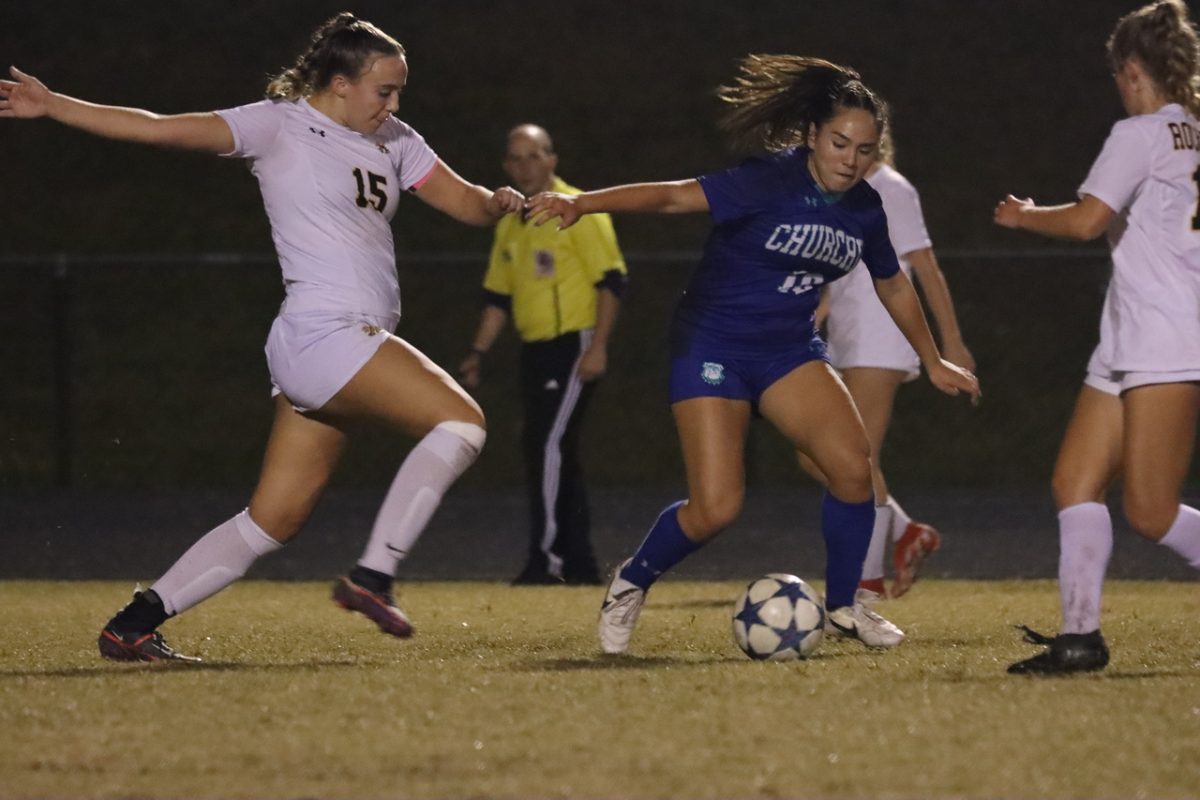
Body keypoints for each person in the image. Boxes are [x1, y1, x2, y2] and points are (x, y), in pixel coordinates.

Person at [0, 13, 524, 662]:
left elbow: (465, 204)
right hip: (326, 334)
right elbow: (159, 128)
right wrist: (54, 106)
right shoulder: (278, 124)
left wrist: (499, 201)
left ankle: (132, 625)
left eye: (399, 92)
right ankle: (374, 575)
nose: (394, 103)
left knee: (272, 521)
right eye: (384, 90)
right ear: (337, 83)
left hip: (328, 347)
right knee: (462, 424)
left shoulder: (394, 137)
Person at [527, 55, 980, 655]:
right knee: (716, 507)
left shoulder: (865, 207)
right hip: (713, 344)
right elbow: (671, 198)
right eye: (840, 142)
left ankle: (846, 606)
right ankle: (631, 581)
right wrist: (584, 202)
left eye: (865, 149)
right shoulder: (767, 179)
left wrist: (936, 357)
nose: (851, 158)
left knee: (852, 469)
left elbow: (893, 282)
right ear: (813, 135)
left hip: (787, 350)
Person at [995, 0, 1200, 675]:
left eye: (1118, 75)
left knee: (1150, 509)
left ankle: (1081, 633)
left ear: (1132, 70)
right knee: (1074, 481)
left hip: (1163, 338)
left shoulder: (1139, 132)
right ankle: (1079, 636)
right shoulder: (1194, 132)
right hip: (1132, 333)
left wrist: (1023, 217)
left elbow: (1087, 222)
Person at [802, 124, 976, 600]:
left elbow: (925, 267)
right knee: (813, 451)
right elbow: (840, 273)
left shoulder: (893, 190)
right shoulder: (839, 188)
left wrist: (951, 341)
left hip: (884, 336)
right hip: (847, 338)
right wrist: (814, 317)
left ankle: (867, 583)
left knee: (858, 457)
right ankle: (904, 532)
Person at [459, 124, 627, 586]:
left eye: (534, 156)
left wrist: (597, 348)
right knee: (554, 452)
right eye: (515, 159)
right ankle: (580, 563)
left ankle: (547, 562)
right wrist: (478, 351)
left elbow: (611, 281)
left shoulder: (578, 209)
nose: (525, 166)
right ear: (505, 167)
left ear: (552, 160)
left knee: (548, 446)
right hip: (534, 350)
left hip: (573, 344)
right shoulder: (512, 219)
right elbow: (498, 295)